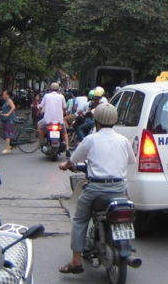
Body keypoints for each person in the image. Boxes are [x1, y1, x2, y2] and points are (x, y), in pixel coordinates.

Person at [57, 103, 136, 274]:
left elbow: (74, 159)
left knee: (79, 220)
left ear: (96, 122)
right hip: (119, 188)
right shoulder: (123, 140)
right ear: (114, 121)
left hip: (95, 189)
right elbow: (131, 161)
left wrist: (66, 165)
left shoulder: (91, 139)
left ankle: (76, 261)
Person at [37, 82, 69, 150]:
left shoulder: (46, 96)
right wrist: (64, 113)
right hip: (59, 120)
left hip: (48, 120)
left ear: (50, 89)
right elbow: (65, 108)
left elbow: (41, 106)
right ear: (58, 89)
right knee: (64, 132)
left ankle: (42, 141)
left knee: (39, 125)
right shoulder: (61, 96)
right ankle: (67, 148)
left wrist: (39, 112)